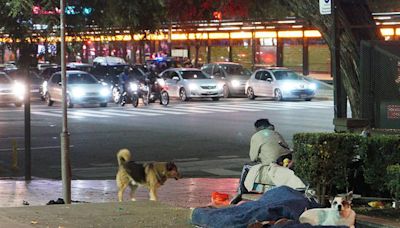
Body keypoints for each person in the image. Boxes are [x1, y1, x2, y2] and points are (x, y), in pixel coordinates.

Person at [231, 118, 305, 204]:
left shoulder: (257, 136)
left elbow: (253, 158)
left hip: (273, 163)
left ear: (259, 128)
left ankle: (240, 192)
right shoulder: (276, 133)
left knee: (246, 167)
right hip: (286, 160)